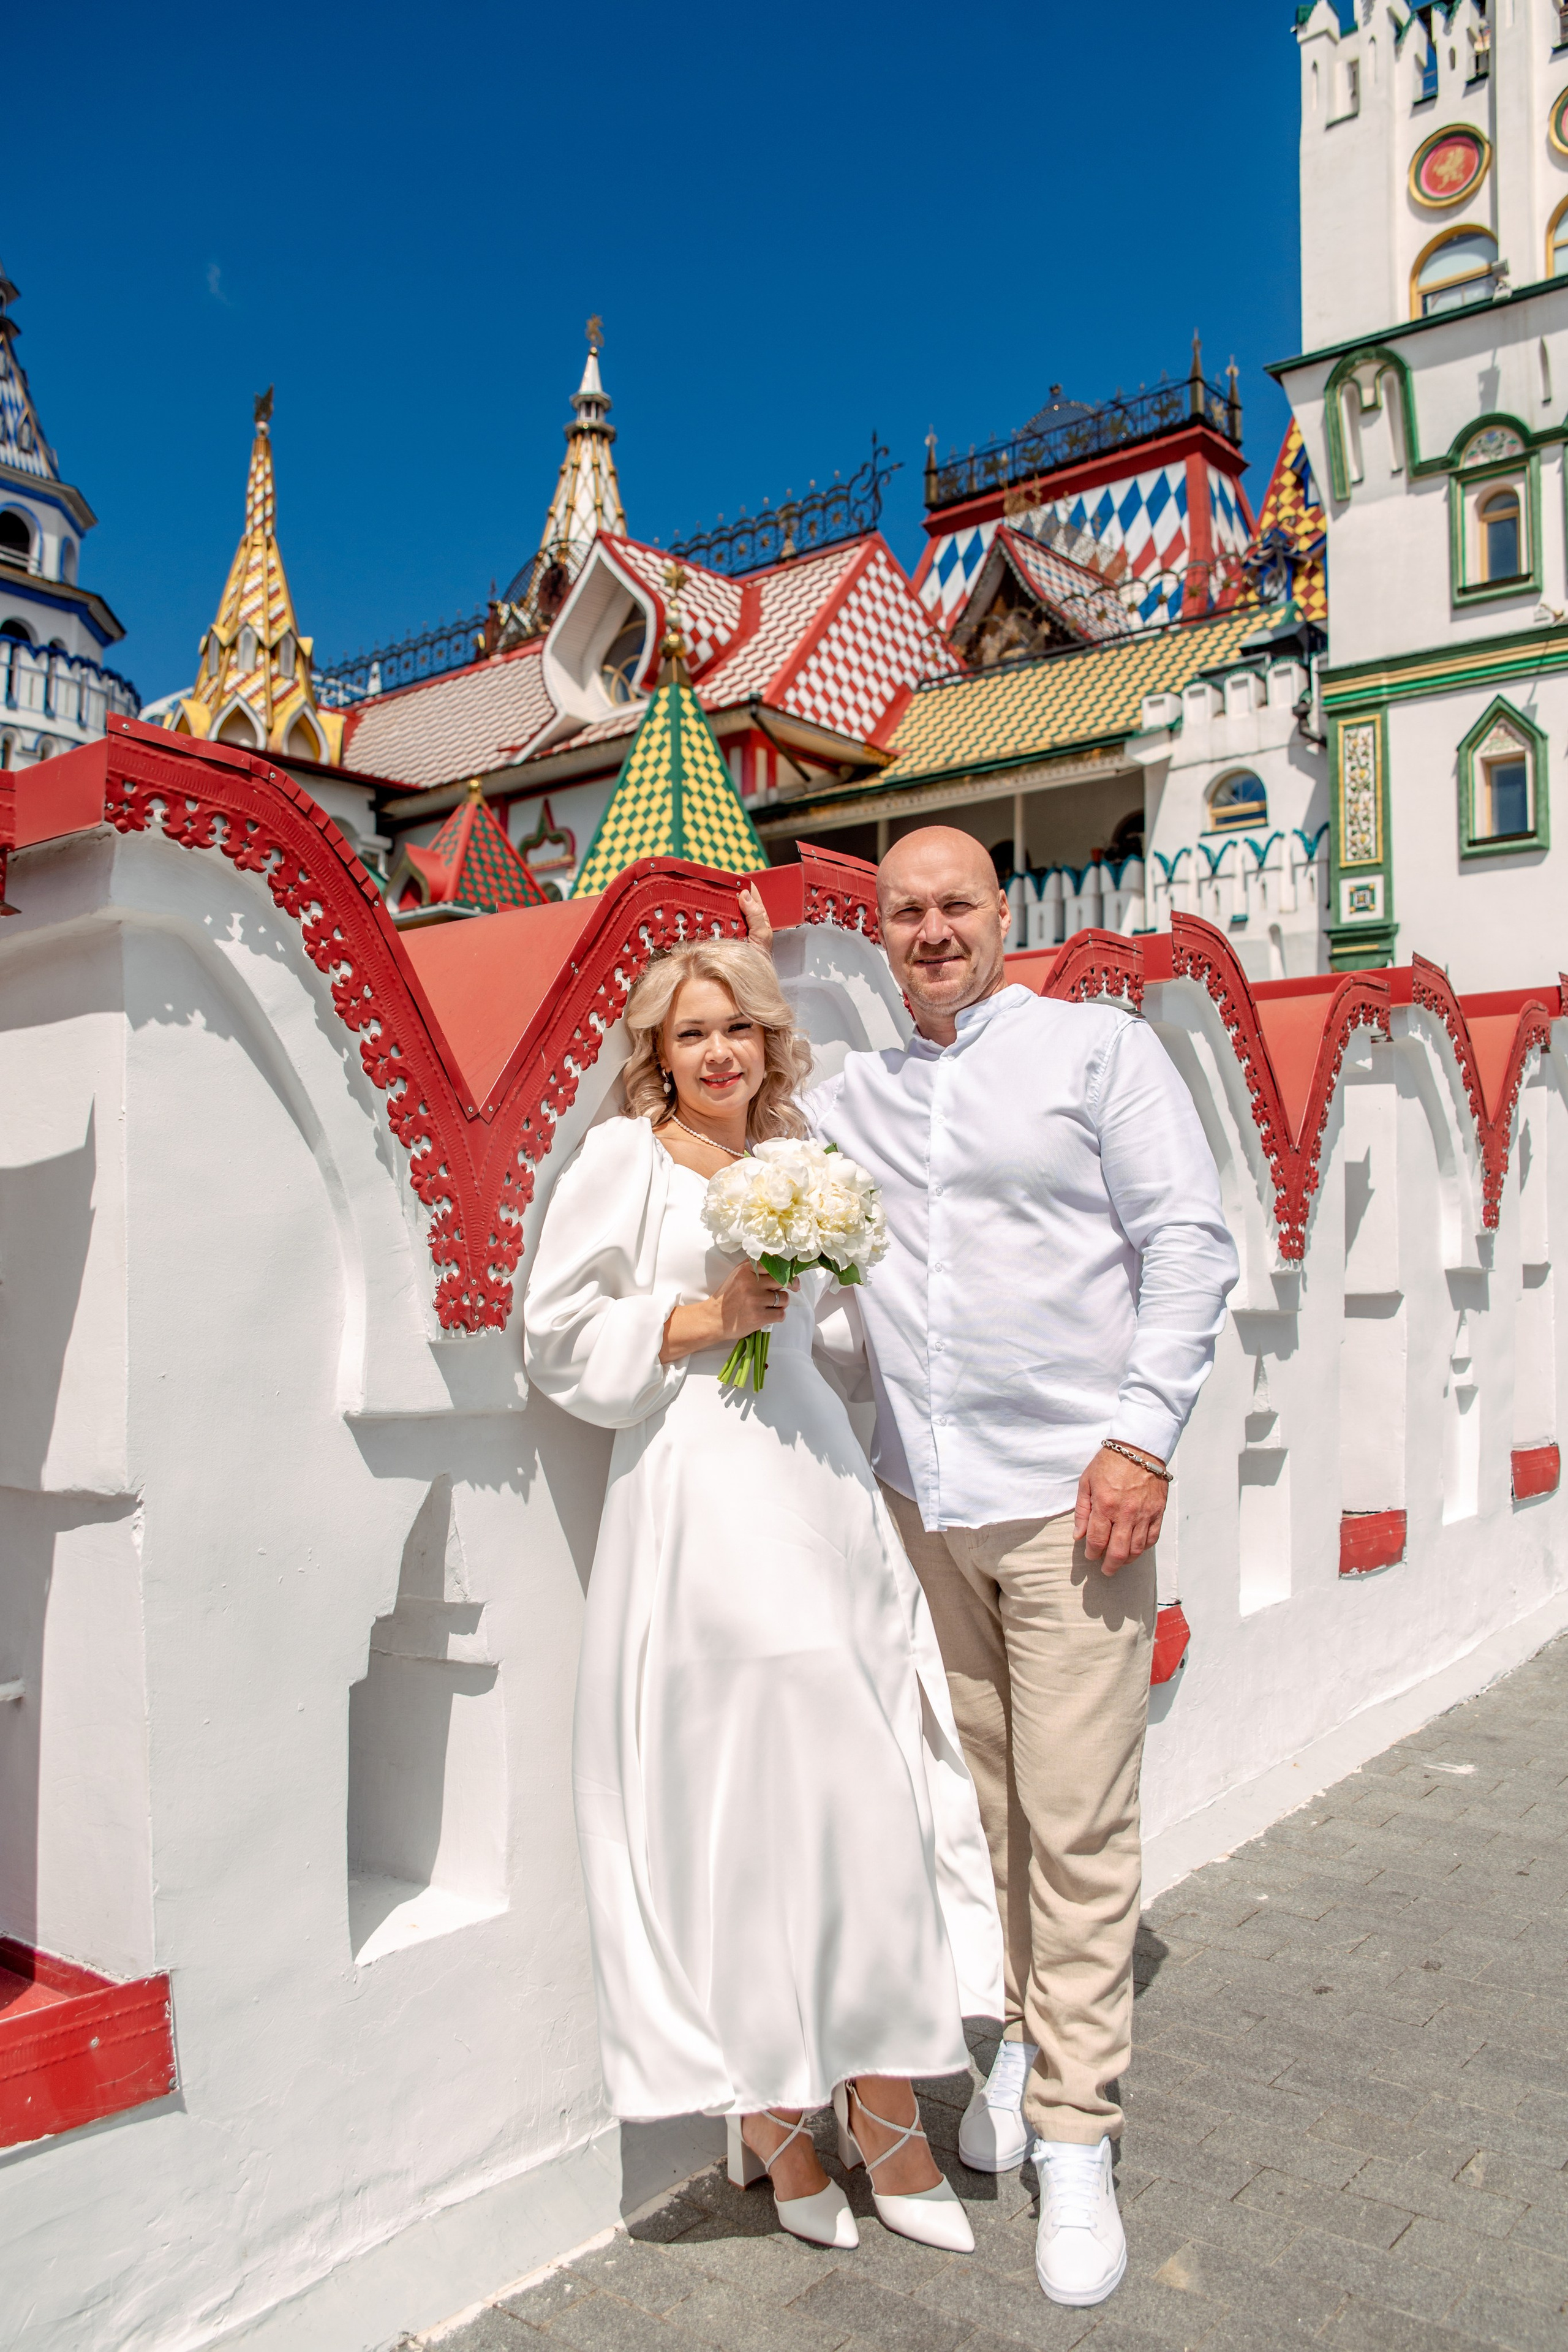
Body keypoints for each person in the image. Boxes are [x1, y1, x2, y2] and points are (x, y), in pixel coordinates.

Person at [522, 913, 1002, 2256]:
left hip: (814, 1471)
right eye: (694, 1032)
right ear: (659, 1054)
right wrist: (708, 1318)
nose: (720, 1050)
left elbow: (843, 1335)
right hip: (699, 1479)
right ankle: (776, 2117)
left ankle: (887, 2105)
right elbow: (554, 1331)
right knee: (744, 1795)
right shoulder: (626, 1159)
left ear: (770, 1039)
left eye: (740, 1024)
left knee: (867, 1778)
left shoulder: (799, 1159)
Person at [805, 827, 1238, 2310]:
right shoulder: (853, 1095)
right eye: (901, 913)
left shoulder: (1094, 1051)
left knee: (1076, 1819)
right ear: (875, 934)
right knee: (982, 1807)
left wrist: (1140, 1440)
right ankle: (1018, 2038)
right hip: (923, 1506)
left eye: (953, 905)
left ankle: (1074, 2132)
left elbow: (1186, 1244)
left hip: (1073, 1503)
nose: (929, 931)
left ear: (1002, 914)